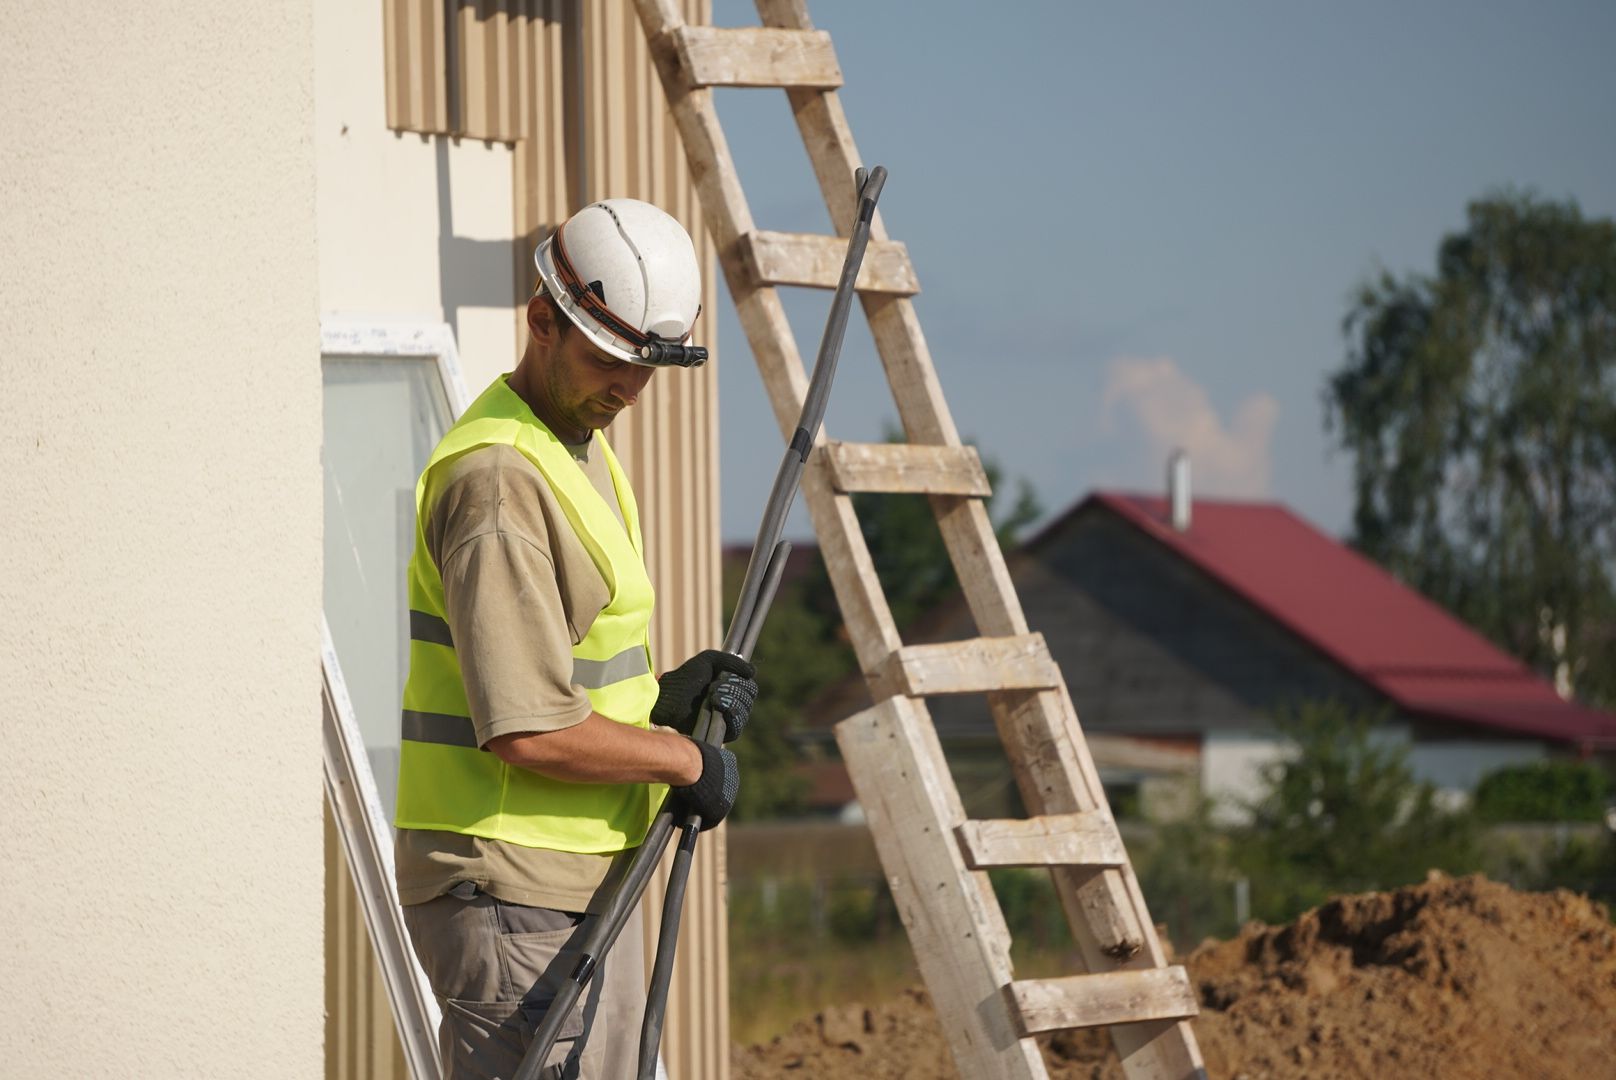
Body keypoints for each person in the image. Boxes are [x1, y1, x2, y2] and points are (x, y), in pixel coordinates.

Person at [392, 198, 758, 1079]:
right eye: (609, 362)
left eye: (645, 369)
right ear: (542, 322)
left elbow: (567, 663)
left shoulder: (570, 440)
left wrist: (660, 698)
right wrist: (681, 759)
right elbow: (529, 727)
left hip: (567, 883)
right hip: (514, 891)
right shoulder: (498, 483)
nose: (628, 389)